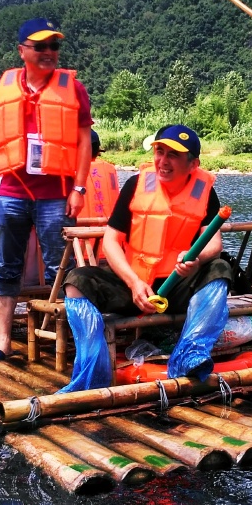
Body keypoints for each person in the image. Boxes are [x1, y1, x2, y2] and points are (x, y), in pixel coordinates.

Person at [58, 124, 233, 392]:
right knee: (76, 280)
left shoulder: (204, 191)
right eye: (159, 151)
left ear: (193, 163)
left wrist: (195, 258)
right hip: (135, 288)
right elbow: (111, 241)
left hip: (175, 289)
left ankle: (190, 355)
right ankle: (94, 371)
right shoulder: (136, 185)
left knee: (220, 268)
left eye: (173, 155)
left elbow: (215, 245)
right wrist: (132, 282)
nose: (163, 161)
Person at [0, 17, 93, 362]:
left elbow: (85, 143)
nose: (49, 52)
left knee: (61, 267)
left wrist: (80, 189)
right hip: (12, 191)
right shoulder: (4, 86)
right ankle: (4, 342)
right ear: (22, 51)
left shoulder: (74, 88)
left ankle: (71, 342)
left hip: (55, 194)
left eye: (54, 46)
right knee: (5, 266)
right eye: (40, 46)